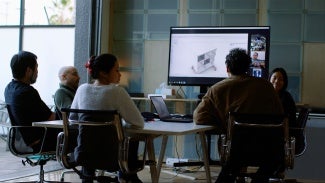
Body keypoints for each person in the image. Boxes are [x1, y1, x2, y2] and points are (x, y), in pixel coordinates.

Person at [193, 48, 284, 183]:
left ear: (227, 68)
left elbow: (199, 117)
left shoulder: (217, 89)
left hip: (236, 151)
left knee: (233, 162)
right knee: (269, 163)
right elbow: (280, 117)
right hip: (269, 151)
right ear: (248, 67)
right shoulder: (267, 87)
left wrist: (225, 124)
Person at [70, 53, 144, 183]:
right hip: (111, 155)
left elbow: (73, 119)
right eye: (116, 70)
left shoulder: (82, 89)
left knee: (90, 140)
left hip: (83, 153)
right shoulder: (117, 92)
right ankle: (127, 176)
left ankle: (88, 177)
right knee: (131, 139)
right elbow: (138, 123)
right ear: (104, 73)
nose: (120, 74)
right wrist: (119, 125)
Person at [4, 51, 59, 152]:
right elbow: (51, 118)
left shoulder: (9, 88)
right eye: (36, 67)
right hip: (39, 143)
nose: (37, 71)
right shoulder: (28, 92)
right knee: (77, 134)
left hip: (21, 143)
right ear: (29, 70)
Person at [269, 68, 303, 152]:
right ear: (270, 78)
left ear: (284, 82)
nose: (277, 81)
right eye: (275, 78)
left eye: (280, 79)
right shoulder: (266, 95)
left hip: (282, 134)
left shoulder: (286, 97)